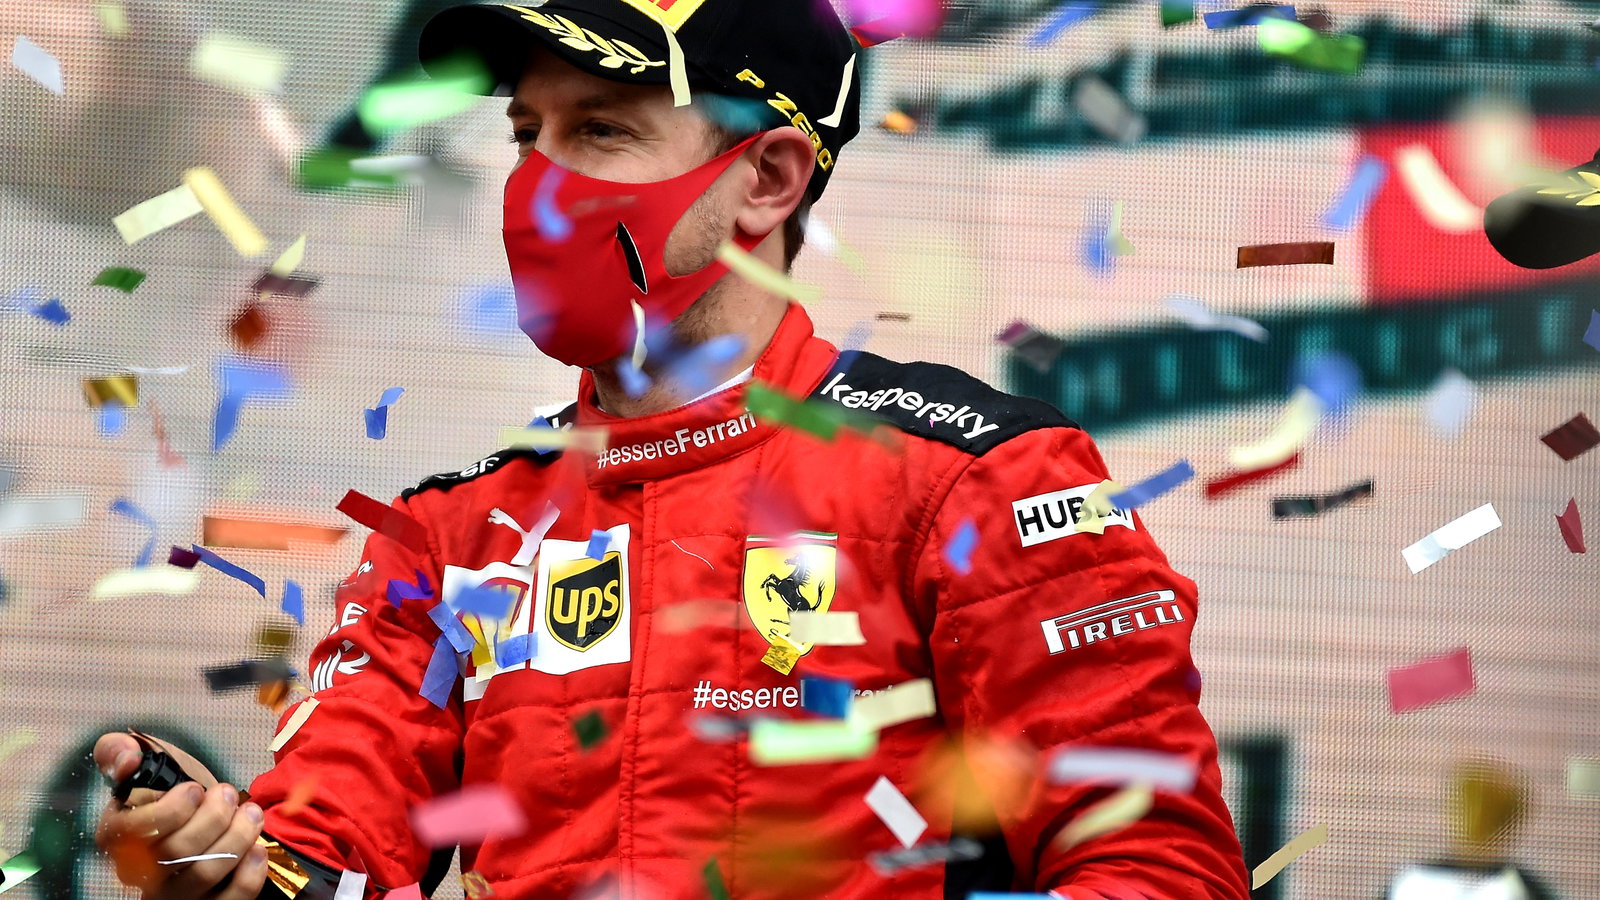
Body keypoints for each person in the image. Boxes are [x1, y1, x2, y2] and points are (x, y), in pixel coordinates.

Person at [94, 2, 1250, 898]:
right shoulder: (447, 539)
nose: (536, 185)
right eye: (527, 133)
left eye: (600, 129)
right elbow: (330, 856)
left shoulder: (979, 479)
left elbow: (1158, 869)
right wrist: (229, 872)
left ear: (768, 180)